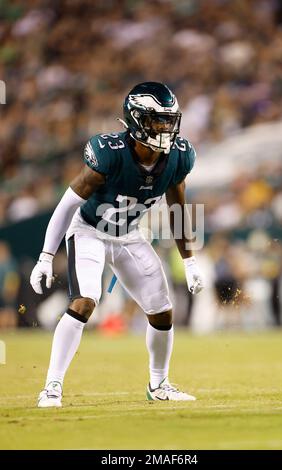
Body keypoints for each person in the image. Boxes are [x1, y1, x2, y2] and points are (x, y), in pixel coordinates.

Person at [30, 82, 203, 407]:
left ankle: (159, 384)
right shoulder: (109, 153)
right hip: (89, 231)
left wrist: (190, 261)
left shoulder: (179, 157)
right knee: (85, 302)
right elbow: (67, 205)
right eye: (157, 120)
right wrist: (45, 255)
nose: (165, 128)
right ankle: (51, 386)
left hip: (128, 235)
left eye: (169, 120)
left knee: (162, 310)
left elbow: (178, 210)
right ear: (137, 120)